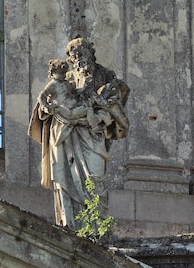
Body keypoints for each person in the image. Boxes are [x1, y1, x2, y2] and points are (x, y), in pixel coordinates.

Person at [28, 38, 129, 230]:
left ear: (91, 54)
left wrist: (99, 114)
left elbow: (115, 105)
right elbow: (44, 103)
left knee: (95, 178)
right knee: (64, 178)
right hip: (64, 136)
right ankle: (70, 224)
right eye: (74, 57)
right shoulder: (65, 78)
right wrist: (49, 109)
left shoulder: (105, 76)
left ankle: (96, 228)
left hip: (92, 135)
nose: (79, 60)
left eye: (82, 54)